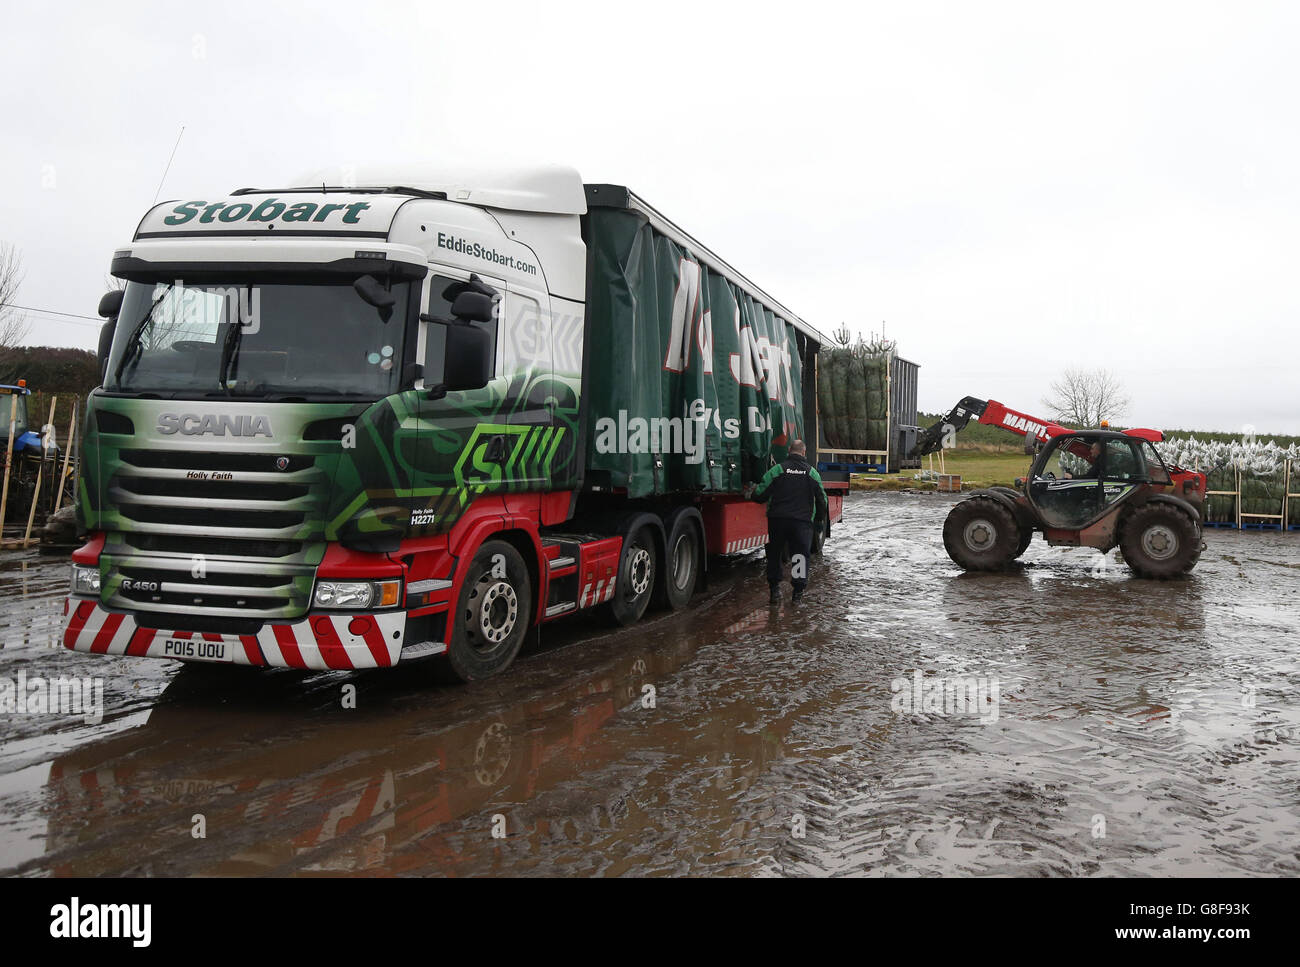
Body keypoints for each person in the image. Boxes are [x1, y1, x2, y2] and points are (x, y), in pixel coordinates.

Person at [749, 439, 828, 604]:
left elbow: (760, 494)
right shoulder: (812, 473)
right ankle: (797, 595)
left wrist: (751, 493)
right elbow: (822, 500)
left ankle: (774, 592)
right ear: (804, 453)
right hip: (802, 523)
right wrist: (819, 521)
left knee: (774, 555)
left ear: (789, 451)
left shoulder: (777, 470)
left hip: (778, 521)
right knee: (799, 556)